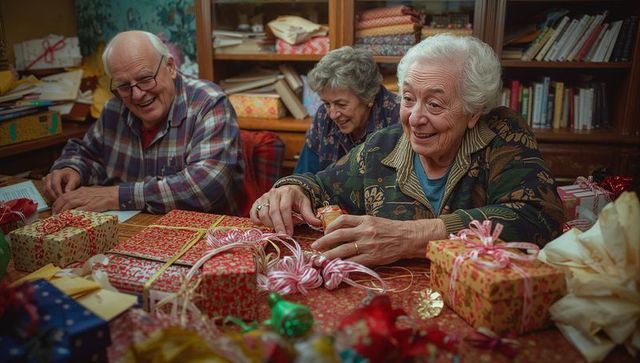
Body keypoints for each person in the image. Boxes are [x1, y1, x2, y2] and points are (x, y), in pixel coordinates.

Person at [250, 34, 565, 266]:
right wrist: (291, 189)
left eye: (435, 104)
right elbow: (320, 185)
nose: (415, 118)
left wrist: (413, 237)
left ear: (473, 112)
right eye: (408, 99)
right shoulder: (380, 147)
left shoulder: (501, 134)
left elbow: (538, 218)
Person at [43, 30, 244, 215]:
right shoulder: (115, 108)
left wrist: (115, 196)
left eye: (146, 78)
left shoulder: (208, 103)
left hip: (205, 238)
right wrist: (72, 169)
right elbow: (88, 154)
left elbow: (205, 187)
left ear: (170, 67)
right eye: (123, 86)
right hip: (130, 230)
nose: (137, 95)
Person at [294, 46, 400, 174]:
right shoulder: (324, 116)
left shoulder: (398, 118)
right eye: (327, 103)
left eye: (341, 104)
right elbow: (304, 175)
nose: (332, 114)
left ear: (368, 97)